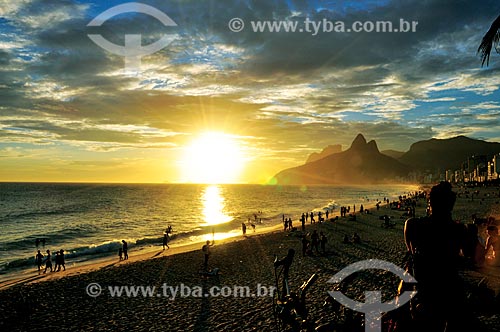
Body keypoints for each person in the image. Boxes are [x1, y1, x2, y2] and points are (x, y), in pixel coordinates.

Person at [404, 181, 477, 331]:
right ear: (451, 204)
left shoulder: (413, 225)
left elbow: (411, 250)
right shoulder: (459, 230)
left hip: (424, 288)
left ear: (430, 202)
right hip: (450, 289)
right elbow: (470, 255)